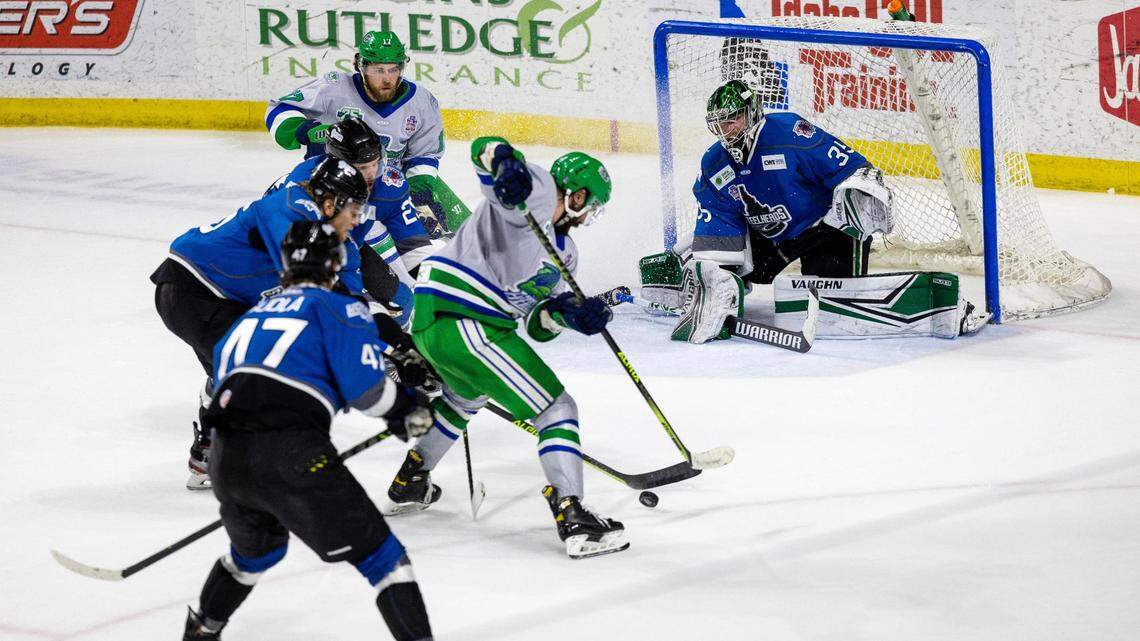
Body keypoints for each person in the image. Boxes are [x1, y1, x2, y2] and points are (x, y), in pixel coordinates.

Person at [183, 221, 434, 641]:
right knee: (385, 560)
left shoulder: (247, 318)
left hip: (228, 461)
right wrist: (409, 410)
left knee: (255, 554)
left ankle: (201, 632)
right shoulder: (338, 307)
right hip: (292, 454)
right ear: (335, 263)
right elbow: (369, 392)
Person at [380, 136, 628, 560]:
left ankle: (411, 480)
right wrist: (506, 163)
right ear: (578, 194)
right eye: (590, 207)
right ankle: (574, 517)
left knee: (466, 397)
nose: (587, 218)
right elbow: (484, 148)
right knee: (557, 409)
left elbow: (535, 322)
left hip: (434, 322)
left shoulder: (564, 254)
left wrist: (570, 314)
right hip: (468, 318)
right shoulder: (539, 187)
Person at [150, 158, 370, 490]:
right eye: (350, 211)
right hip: (191, 292)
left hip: (212, 299)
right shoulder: (292, 205)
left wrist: (396, 349)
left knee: (235, 372)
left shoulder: (336, 241)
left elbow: (352, 303)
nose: (355, 220)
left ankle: (209, 455)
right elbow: (310, 280)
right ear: (329, 202)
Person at [639, 79, 896, 343]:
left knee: (837, 309)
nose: (725, 130)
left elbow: (853, 168)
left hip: (824, 230)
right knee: (709, 267)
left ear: (751, 112)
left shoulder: (791, 133)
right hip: (771, 239)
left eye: (731, 120)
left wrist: (861, 194)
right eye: (718, 123)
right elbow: (719, 221)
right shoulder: (714, 164)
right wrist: (716, 277)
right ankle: (687, 282)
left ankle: (847, 281)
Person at [265, 30, 471, 240]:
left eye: (393, 70)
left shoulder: (421, 101)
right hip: (336, 188)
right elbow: (277, 109)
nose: (387, 79)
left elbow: (424, 155)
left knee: (472, 237)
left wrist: (419, 193)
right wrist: (304, 130)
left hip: (390, 186)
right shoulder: (334, 87)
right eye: (378, 70)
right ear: (361, 66)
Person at [266, 116, 422, 325]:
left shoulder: (386, 184)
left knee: (403, 302)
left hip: (339, 239)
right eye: (362, 167)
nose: (371, 175)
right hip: (287, 250)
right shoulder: (304, 188)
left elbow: (412, 244)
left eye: (375, 164)